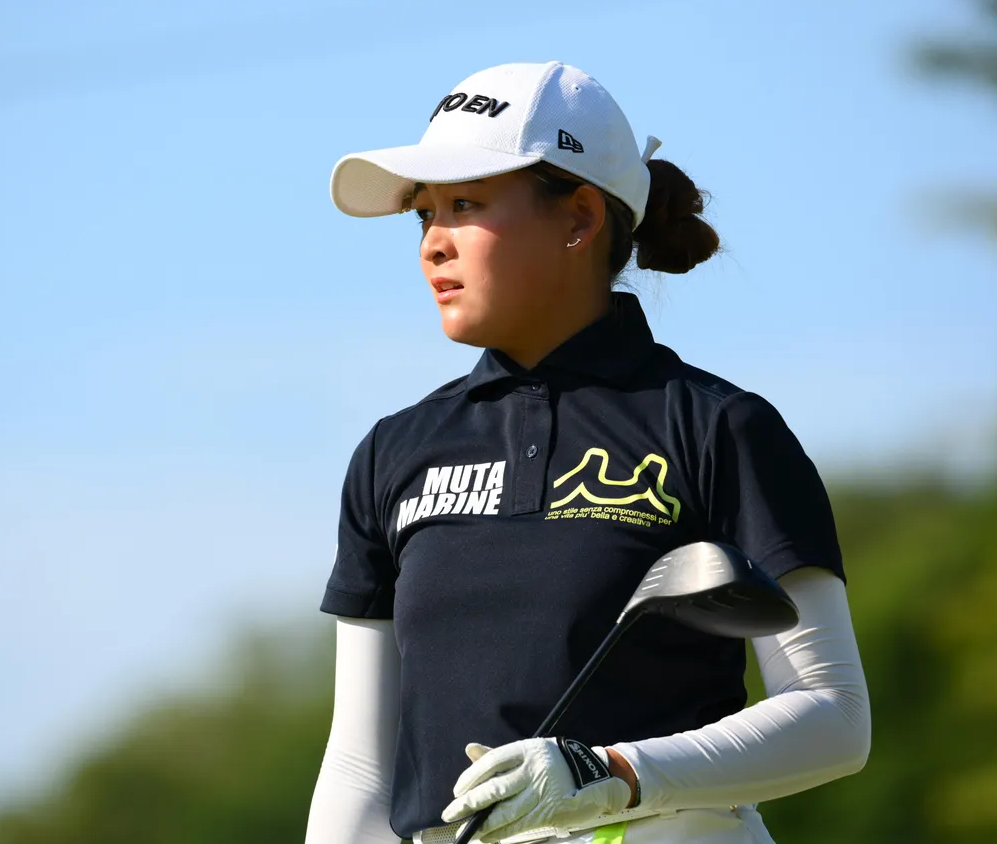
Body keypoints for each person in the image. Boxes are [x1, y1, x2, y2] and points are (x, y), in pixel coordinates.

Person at [303, 61, 870, 844]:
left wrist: (610, 772)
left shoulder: (718, 427)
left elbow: (833, 714)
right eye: (424, 213)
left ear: (579, 217)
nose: (433, 244)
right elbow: (359, 771)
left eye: (465, 204)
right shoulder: (393, 451)